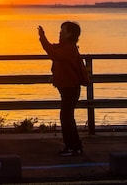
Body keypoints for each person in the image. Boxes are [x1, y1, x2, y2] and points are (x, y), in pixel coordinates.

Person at [38, 21, 89, 156]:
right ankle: (75, 146)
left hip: (70, 88)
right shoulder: (66, 47)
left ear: (70, 34)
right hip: (69, 87)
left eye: (63, 30)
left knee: (66, 118)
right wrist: (55, 76)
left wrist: (42, 37)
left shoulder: (69, 49)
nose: (60, 33)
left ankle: (72, 147)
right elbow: (61, 62)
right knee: (67, 117)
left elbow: (52, 53)